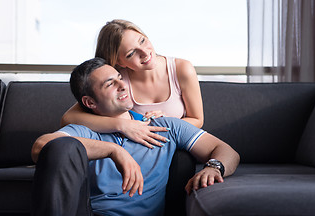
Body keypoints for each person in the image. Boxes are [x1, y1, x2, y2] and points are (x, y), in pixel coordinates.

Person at [31, 58, 240, 216]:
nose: (122, 86)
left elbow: (227, 151)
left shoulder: (165, 125)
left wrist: (214, 167)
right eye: (109, 84)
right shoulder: (86, 131)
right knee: (63, 146)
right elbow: (42, 146)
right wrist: (114, 151)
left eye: (120, 78)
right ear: (90, 103)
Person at [61, 19, 204, 149]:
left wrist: (165, 124)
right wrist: (124, 126)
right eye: (131, 54)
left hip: (174, 145)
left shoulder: (182, 69)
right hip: (134, 149)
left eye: (142, 41)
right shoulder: (117, 80)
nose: (144, 52)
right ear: (119, 62)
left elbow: (197, 119)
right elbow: (68, 119)